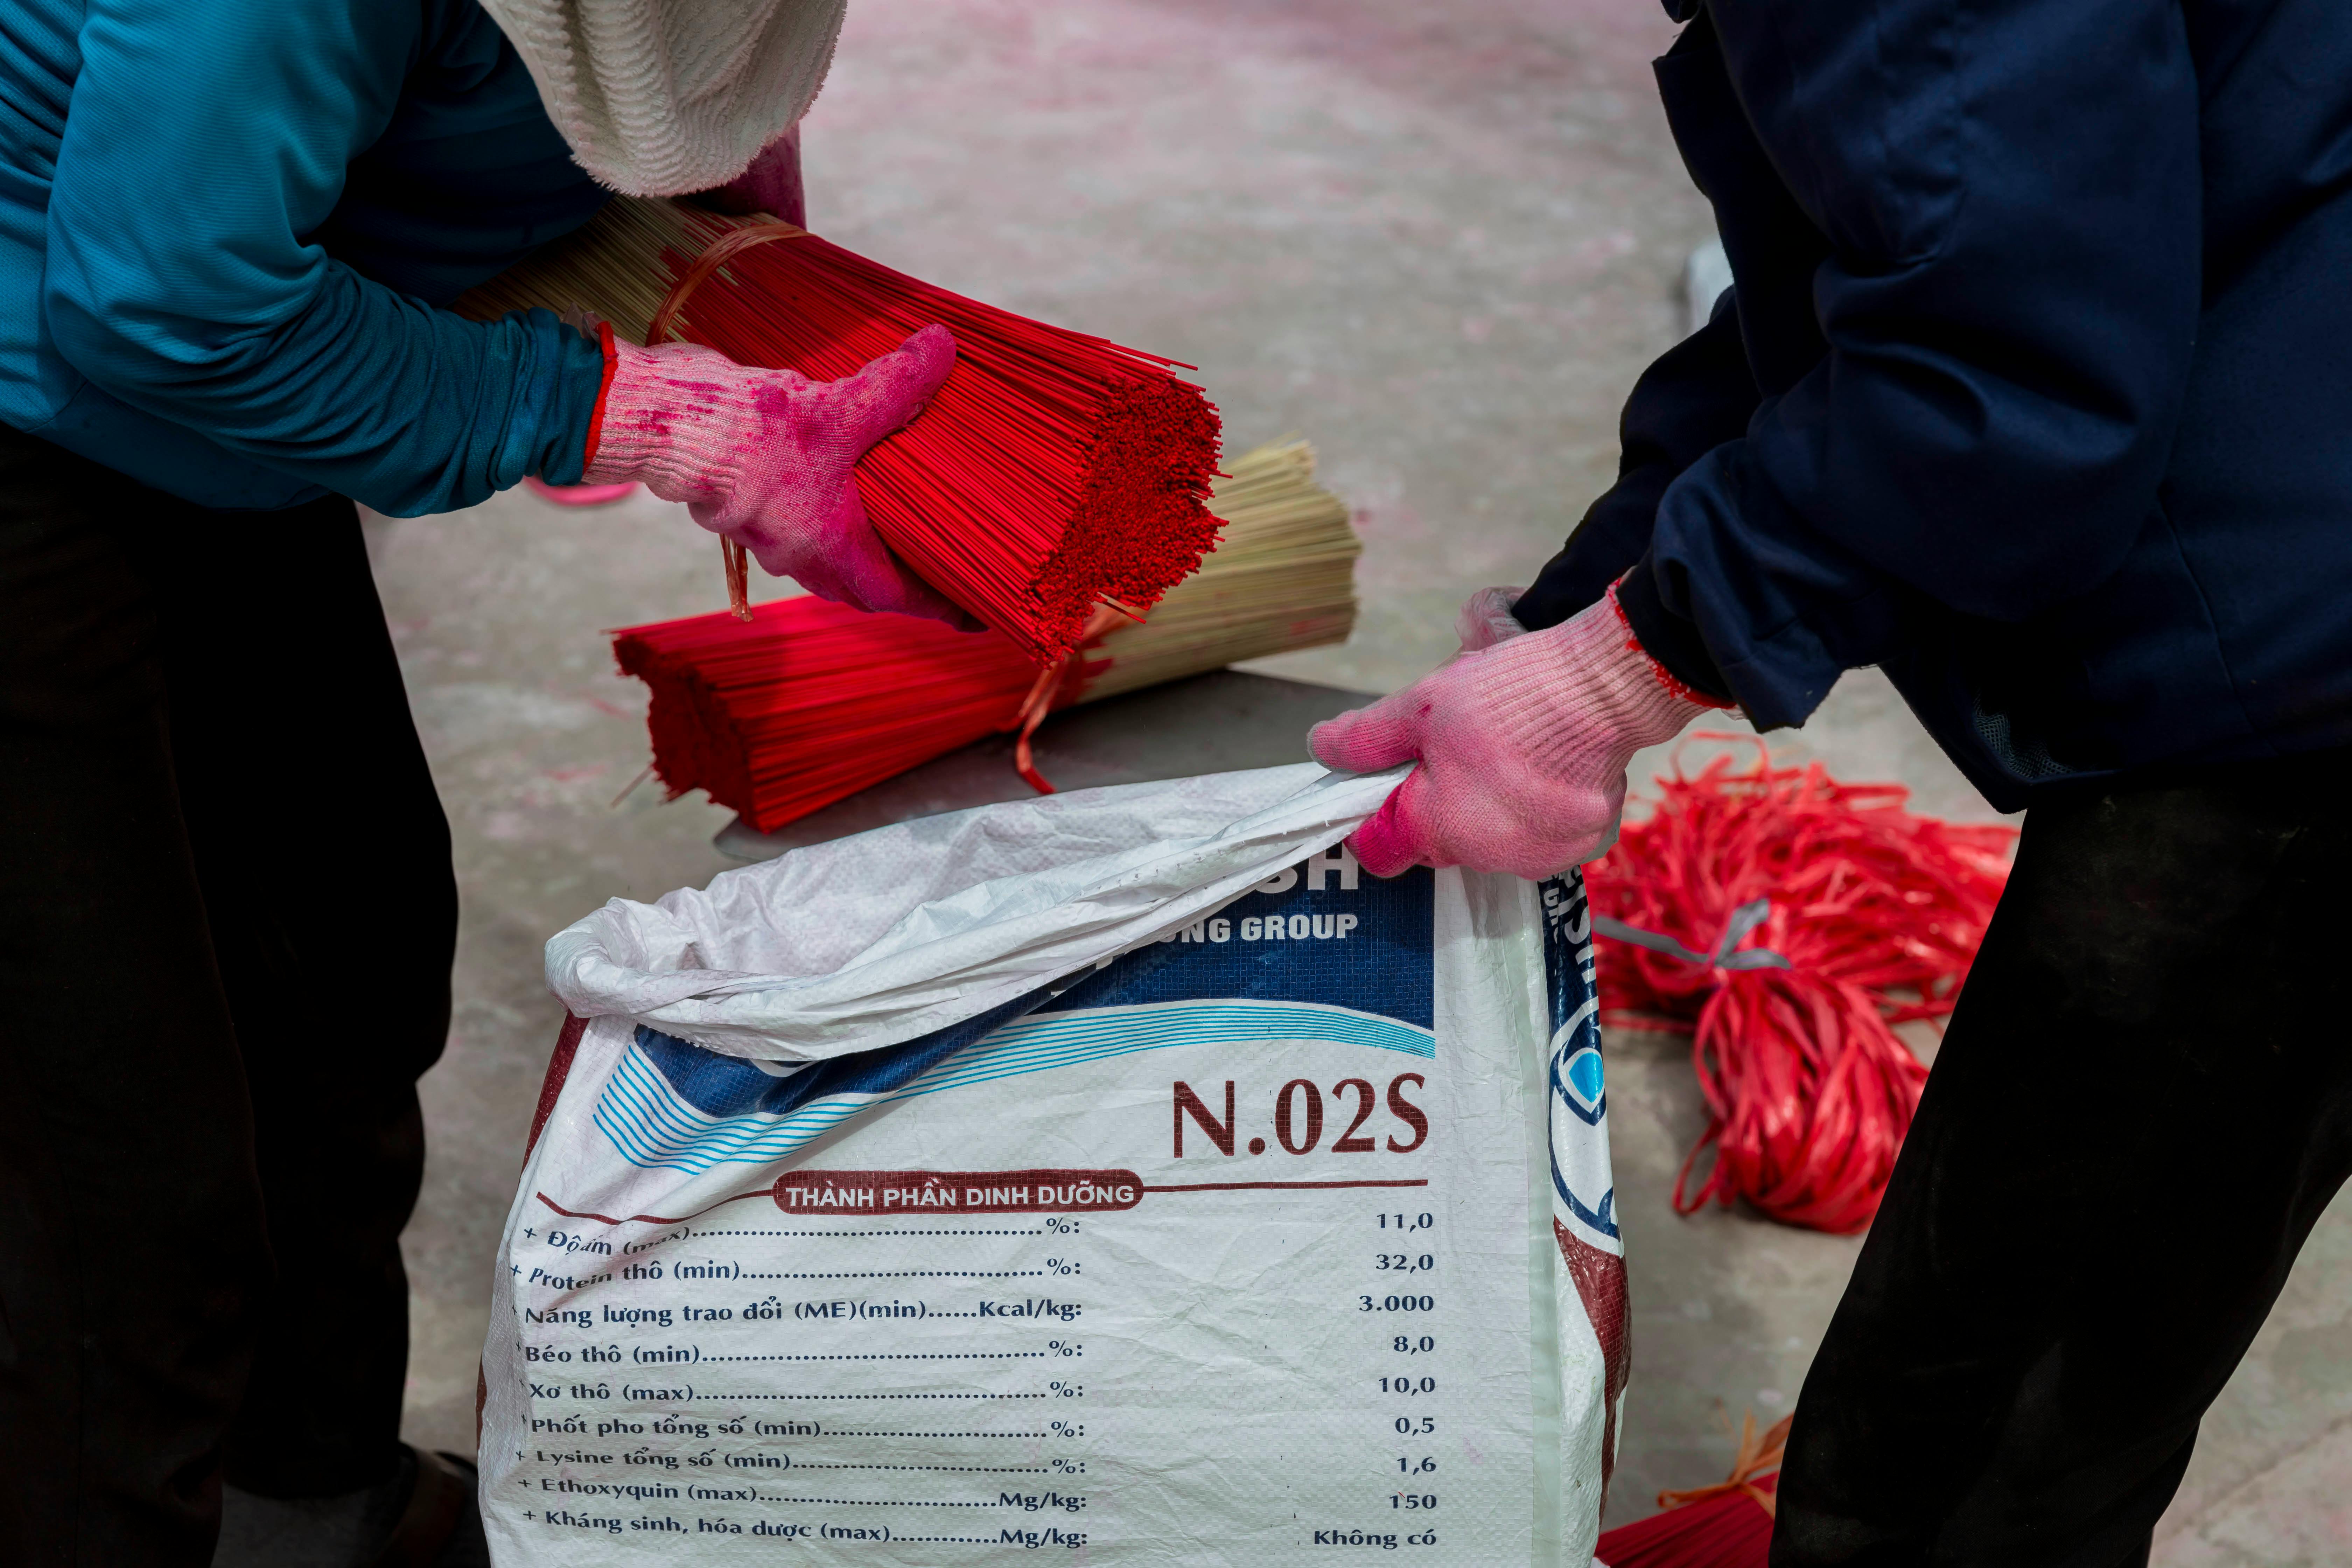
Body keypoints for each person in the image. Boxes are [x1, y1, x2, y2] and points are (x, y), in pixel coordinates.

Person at [1310, 0, 2352, 1562]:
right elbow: (1928, 247)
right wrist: (1589, 596)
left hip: (2306, 657)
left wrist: (1636, 657)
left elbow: (2009, 392)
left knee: (1964, 1446)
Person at [0, 0, 966, 1562]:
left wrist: (714, 172)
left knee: (342, 972)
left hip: (208, 354)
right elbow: (164, 298)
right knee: (113, 1161)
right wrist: (608, 407)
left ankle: (303, 1513)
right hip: (68, 350)